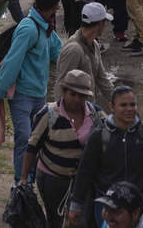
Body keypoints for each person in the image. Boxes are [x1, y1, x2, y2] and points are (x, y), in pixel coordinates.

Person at [67, 85, 143, 226]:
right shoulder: (99, 135)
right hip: (107, 204)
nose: (129, 109)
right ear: (112, 106)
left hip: (140, 204)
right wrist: (76, 204)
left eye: (132, 104)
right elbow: (85, 171)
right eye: (123, 105)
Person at [0, 0, 66, 181]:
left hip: (39, 95)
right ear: (55, 6)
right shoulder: (29, 28)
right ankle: (21, 184)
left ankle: (29, 180)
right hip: (22, 96)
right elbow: (11, 62)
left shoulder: (45, 27)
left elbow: (59, 53)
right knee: (25, 141)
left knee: (36, 141)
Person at [22, 68, 100, 228]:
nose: (77, 99)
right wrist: (24, 179)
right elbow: (32, 148)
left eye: (82, 96)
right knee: (55, 220)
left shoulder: (95, 114)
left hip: (81, 181)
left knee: (80, 221)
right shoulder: (49, 114)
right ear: (64, 92)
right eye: (73, 94)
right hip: (52, 179)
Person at [55, 2, 117, 109]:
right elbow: (61, 85)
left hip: (88, 110)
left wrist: (119, 101)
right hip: (75, 113)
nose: (105, 26)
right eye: (104, 22)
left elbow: (102, 79)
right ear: (99, 24)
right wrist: (62, 117)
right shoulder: (74, 49)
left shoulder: (94, 44)